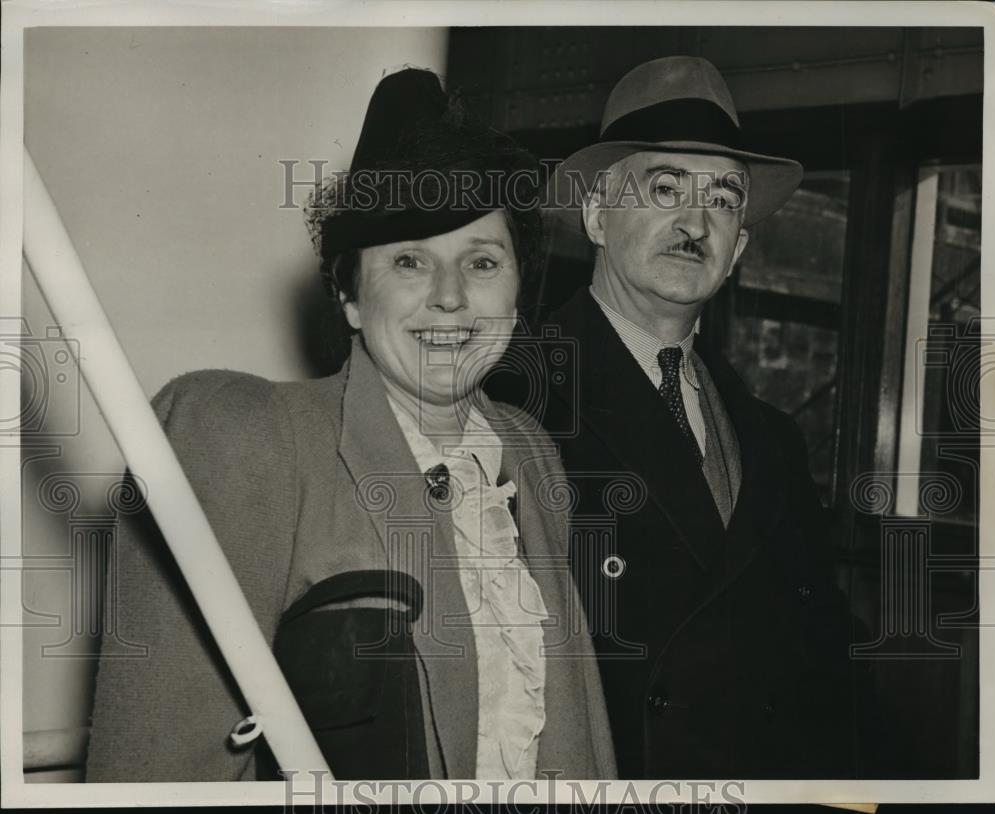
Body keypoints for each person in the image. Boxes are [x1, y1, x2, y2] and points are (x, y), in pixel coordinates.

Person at [85, 67, 616, 782]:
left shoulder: (529, 452)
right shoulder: (245, 436)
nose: (451, 297)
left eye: (482, 261)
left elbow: (576, 738)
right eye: (409, 261)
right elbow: (157, 769)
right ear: (350, 297)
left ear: (518, 292)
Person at [497, 56, 867, 778]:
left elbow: (824, 659)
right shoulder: (515, 396)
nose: (696, 221)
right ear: (597, 215)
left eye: (724, 200)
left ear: (740, 253)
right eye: (664, 188)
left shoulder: (773, 442)